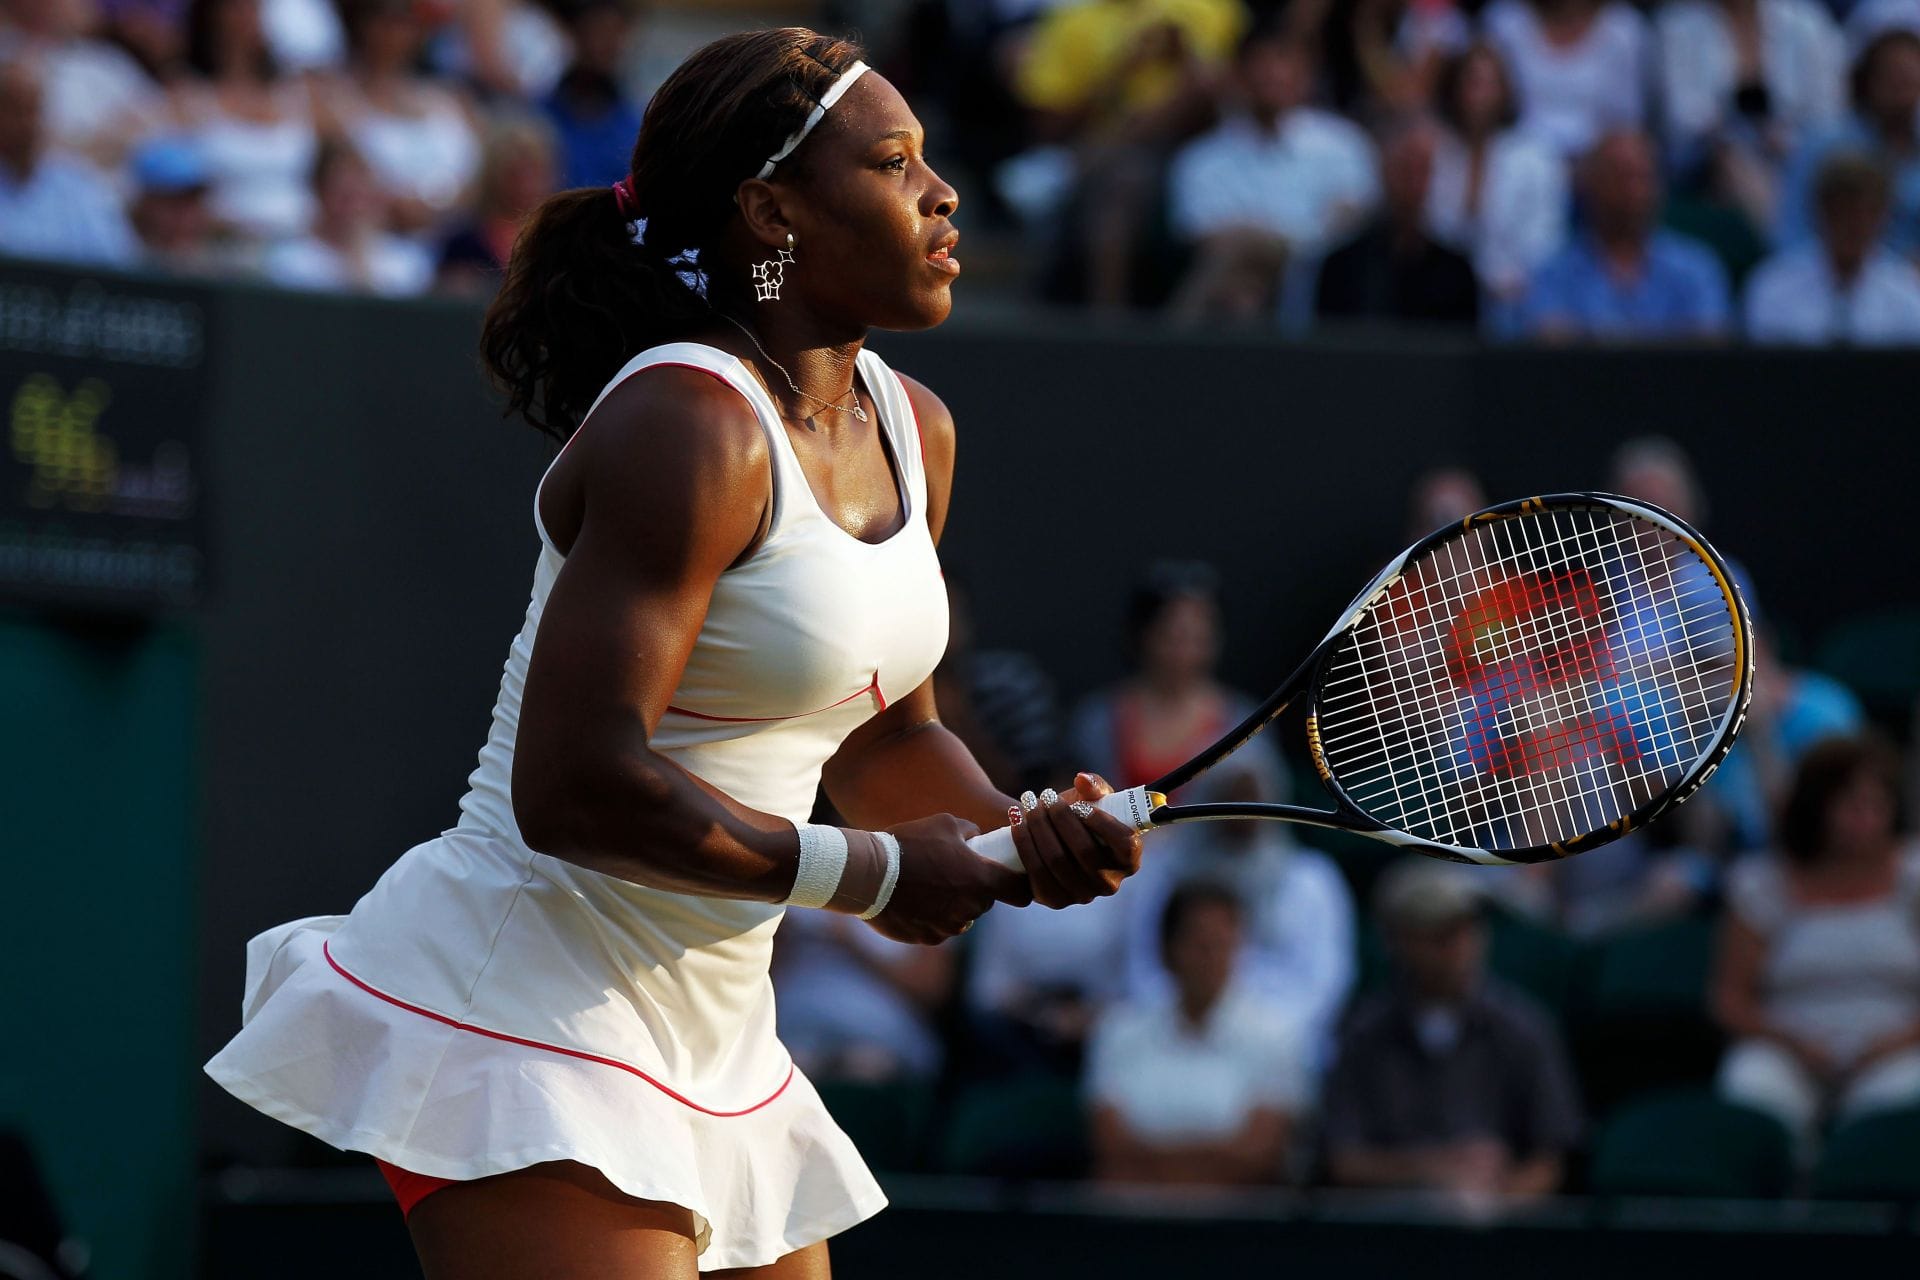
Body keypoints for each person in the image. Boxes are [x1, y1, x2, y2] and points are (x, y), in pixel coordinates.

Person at [204, 29, 1144, 1278]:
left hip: (721, 1035)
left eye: (931, 159)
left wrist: (1011, 834)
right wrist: (869, 874)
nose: (943, 191)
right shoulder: (687, 421)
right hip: (527, 999)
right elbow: (574, 785)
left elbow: (885, 737)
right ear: (773, 212)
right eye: (894, 162)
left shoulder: (917, 429)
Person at [1322, 861, 1583, 1201]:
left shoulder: (1522, 1026)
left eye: (1468, 928)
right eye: (1440, 934)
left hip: (1496, 1236)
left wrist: (1492, 1206)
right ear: (1398, 940)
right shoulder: (1362, 1033)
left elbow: (1551, 1159)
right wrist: (1433, 1168)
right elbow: (1342, 1161)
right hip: (1386, 1233)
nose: (1460, 946)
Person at [1714, 736, 1920, 1154]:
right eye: (1849, 805)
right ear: (1816, 808)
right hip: (1788, 1050)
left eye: (1875, 805)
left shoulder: (1915, 879)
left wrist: (1893, 1044)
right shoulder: (1761, 884)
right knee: (1751, 1087)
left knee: (1899, 1102)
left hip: (1898, 1049)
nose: (1864, 820)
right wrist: (1794, 1044)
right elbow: (1729, 999)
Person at [1118, 769, 1356, 1066]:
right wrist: (1196, 1030)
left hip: (1283, 1046)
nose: (1241, 810)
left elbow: (1324, 982)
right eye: (1230, 796)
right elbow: (1143, 974)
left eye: (1250, 797)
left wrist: (1252, 1034)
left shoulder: (1311, 879)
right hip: (1175, 1041)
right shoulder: (1162, 875)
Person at [1088, 881, 1309, 1186]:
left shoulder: (1276, 1036)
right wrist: (1211, 1162)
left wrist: (1158, 1166)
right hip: (1136, 1220)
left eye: (1223, 943)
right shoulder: (1119, 1033)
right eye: (1199, 944)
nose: (1212, 958)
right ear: (1167, 950)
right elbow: (1112, 1149)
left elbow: (1259, 1156)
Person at [1167, 26, 1378, 324]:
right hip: (1234, 285)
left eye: (1284, 62)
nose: (1274, 75)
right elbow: (1209, 240)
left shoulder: (1344, 145)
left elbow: (1353, 220)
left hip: (1326, 286)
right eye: (1261, 64)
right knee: (1241, 296)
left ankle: (1173, 341)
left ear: (1306, 73)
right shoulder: (1200, 159)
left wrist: (1267, 240)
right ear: (1238, 76)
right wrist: (1293, 236)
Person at [1512, 129, 1733, 340]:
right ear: (1590, 184)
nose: (1635, 191)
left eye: (1644, 177)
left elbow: (1708, 354)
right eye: (1621, 177)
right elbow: (1551, 353)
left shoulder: (1697, 270)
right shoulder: (1552, 276)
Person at [1654, 0, 1845, 234]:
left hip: (1795, 155)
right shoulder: (1677, 26)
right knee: (1734, 160)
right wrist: (1736, 132)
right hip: (1709, 164)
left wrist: (1782, 138)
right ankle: (1776, 245)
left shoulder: (1807, 22)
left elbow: (1827, 116)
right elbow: (1683, 120)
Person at [163, 0, 322, 244]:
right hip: (221, 249)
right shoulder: (186, 95)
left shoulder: (301, 93)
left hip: (301, 248)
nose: (247, 17)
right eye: (236, 7)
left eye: (255, 7)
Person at [321, 0, 482, 235]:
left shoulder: (452, 98)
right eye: (384, 18)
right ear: (361, 23)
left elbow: (479, 181)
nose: (394, 30)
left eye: (406, 20)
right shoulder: (333, 100)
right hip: (373, 239)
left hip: (454, 241)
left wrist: (438, 207)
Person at [1425, 42, 1569, 305]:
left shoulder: (1535, 157)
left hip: (1518, 297)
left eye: (1489, 84)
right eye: (1471, 82)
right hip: (1441, 295)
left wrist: (1503, 284)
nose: (1479, 95)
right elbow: (1430, 231)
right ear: (1453, 88)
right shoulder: (1435, 152)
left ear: (1505, 90)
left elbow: (1544, 242)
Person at [1315, 117, 1482, 328]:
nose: (1412, 183)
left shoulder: (1458, 272)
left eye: (1421, 170)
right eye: (1404, 169)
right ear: (1383, 172)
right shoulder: (1341, 267)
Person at [1746, 150, 1920, 342]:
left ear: (1883, 217)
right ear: (1820, 211)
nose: (1853, 224)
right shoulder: (1773, 286)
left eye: (1866, 213)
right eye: (1841, 211)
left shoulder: (1906, 292)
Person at [1775, 30, 1920, 253]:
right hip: (1825, 275)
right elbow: (1790, 232)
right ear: (1867, 81)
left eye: (1910, 81)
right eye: (1893, 80)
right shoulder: (1823, 145)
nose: (1904, 95)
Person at [0, 53, 136, 266]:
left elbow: (118, 272)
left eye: (34, 110)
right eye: (15, 110)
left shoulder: (78, 187)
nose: (27, 124)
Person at [1479, 0, 1651, 160]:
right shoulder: (1504, 22)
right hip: (1516, 159)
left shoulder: (1624, 29)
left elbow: (1626, 121)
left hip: (1598, 166)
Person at [263, 136, 433, 295]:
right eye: (347, 197)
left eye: (366, 196)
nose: (358, 208)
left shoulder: (407, 262)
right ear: (321, 194)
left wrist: (361, 256)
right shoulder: (291, 260)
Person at [436, 112, 558, 294]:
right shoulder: (463, 243)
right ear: (493, 176)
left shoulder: (560, 240)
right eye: (515, 174)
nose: (526, 185)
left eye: (536, 172)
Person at [542, 0, 645, 191]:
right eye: (598, 32)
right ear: (575, 34)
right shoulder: (537, 116)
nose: (606, 45)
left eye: (615, 34)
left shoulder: (636, 126)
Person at [126, 133, 221, 273]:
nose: (188, 219)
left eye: (194, 203)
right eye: (174, 205)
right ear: (145, 204)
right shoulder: (115, 252)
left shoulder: (223, 258)